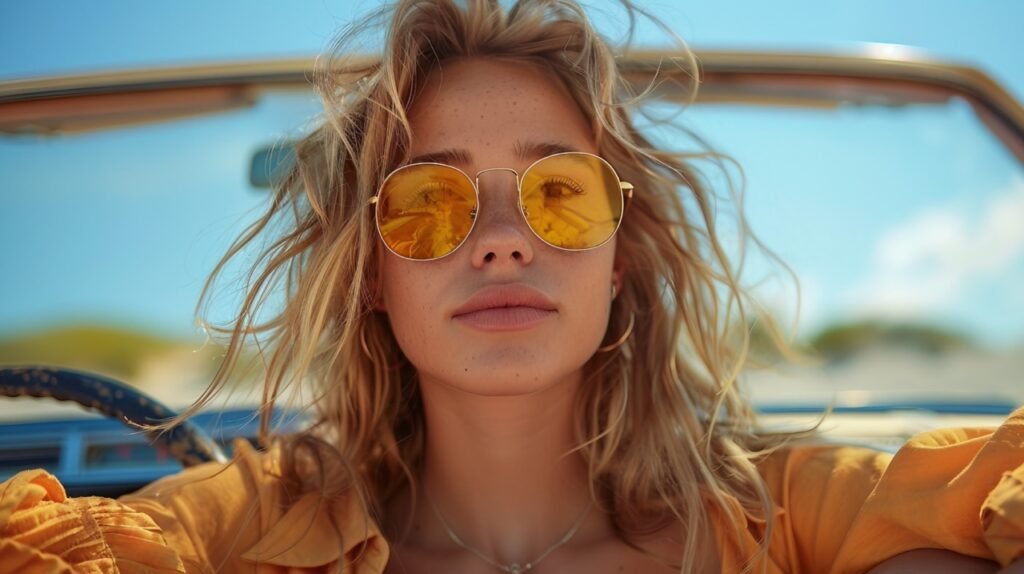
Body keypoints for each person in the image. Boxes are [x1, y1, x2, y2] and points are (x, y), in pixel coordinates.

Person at [1, 1, 1022, 572]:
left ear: (617, 256)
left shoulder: (788, 516)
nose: (499, 242)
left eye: (559, 193)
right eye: (428, 202)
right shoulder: (246, 523)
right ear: (368, 275)